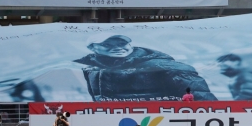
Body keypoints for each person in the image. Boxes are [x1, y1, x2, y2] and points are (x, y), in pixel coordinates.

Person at [75, 34, 217, 101]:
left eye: (122, 43)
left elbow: (200, 93)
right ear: (93, 48)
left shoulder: (162, 65)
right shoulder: (88, 65)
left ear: (130, 44)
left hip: (158, 117)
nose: (117, 48)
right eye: (107, 44)